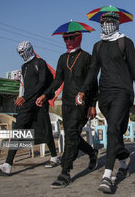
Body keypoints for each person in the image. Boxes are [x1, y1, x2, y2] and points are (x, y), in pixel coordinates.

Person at [76, 12, 135, 194]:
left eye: (109, 20)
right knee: (115, 131)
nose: (105, 24)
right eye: (103, 21)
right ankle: (124, 161)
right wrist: (83, 90)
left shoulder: (125, 42)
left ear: (117, 23)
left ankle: (107, 177)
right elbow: (93, 71)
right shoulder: (98, 46)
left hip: (123, 92)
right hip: (105, 95)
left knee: (113, 129)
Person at [36, 31, 99, 189]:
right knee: (74, 134)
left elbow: (93, 83)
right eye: (65, 38)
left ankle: (65, 172)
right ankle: (92, 153)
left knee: (71, 134)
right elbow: (58, 80)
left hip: (81, 104)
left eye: (72, 37)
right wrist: (45, 95)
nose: (68, 40)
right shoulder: (62, 58)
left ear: (79, 38)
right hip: (66, 104)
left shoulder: (87, 57)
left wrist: (92, 105)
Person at [0, 41, 58, 176]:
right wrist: (22, 97)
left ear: (29, 50)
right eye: (19, 53)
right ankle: (7, 165)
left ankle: (54, 157)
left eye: (23, 52)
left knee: (46, 130)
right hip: (27, 104)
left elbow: (42, 83)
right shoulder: (24, 66)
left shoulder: (40, 63)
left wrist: (27, 97)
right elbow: (25, 86)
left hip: (39, 102)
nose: (21, 55)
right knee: (18, 131)